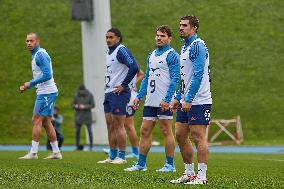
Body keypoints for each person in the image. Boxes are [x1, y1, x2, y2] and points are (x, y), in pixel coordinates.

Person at [124, 25, 180, 172]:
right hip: (151, 100)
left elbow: (175, 79)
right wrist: (139, 96)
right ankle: (141, 164)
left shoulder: (172, 55)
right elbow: (147, 77)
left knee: (166, 130)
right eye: (157, 35)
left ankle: (170, 165)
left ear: (169, 38)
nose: (158, 38)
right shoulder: (152, 55)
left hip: (164, 100)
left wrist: (167, 99)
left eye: (162, 36)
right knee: (144, 130)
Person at [169, 15, 212, 185]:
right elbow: (184, 77)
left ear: (194, 28)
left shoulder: (198, 46)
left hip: (199, 100)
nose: (181, 28)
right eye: (180, 25)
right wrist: (177, 97)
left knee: (198, 136)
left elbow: (198, 74)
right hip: (185, 99)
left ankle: (202, 177)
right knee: (180, 135)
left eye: (185, 25)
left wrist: (188, 98)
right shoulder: (184, 47)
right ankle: (189, 173)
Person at [98, 28, 139, 164]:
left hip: (119, 93)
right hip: (108, 92)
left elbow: (134, 67)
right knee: (110, 125)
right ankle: (112, 156)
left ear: (118, 38)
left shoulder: (121, 50)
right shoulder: (108, 52)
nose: (108, 40)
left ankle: (122, 157)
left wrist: (123, 85)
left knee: (120, 124)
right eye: (107, 37)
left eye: (111, 37)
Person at [19, 32, 62, 159]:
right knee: (46, 122)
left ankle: (33, 152)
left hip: (47, 93)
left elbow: (47, 75)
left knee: (36, 119)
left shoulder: (40, 55)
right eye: (27, 41)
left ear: (37, 41)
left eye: (31, 41)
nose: (28, 43)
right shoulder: (36, 55)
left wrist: (30, 83)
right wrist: (30, 85)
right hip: (45, 92)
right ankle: (56, 152)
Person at [124, 70, 144, 158]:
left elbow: (141, 73)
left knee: (128, 125)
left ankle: (136, 152)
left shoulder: (128, 62)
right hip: (126, 97)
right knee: (119, 124)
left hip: (130, 99)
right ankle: (116, 149)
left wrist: (131, 84)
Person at [72, 84, 95, 151]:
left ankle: (91, 146)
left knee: (90, 131)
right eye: (80, 91)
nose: (81, 92)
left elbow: (93, 105)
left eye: (82, 91)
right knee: (77, 132)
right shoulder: (76, 96)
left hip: (87, 116)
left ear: (85, 90)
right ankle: (77, 146)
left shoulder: (90, 95)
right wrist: (77, 106)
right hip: (78, 116)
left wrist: (85, 107)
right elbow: (72, 104)